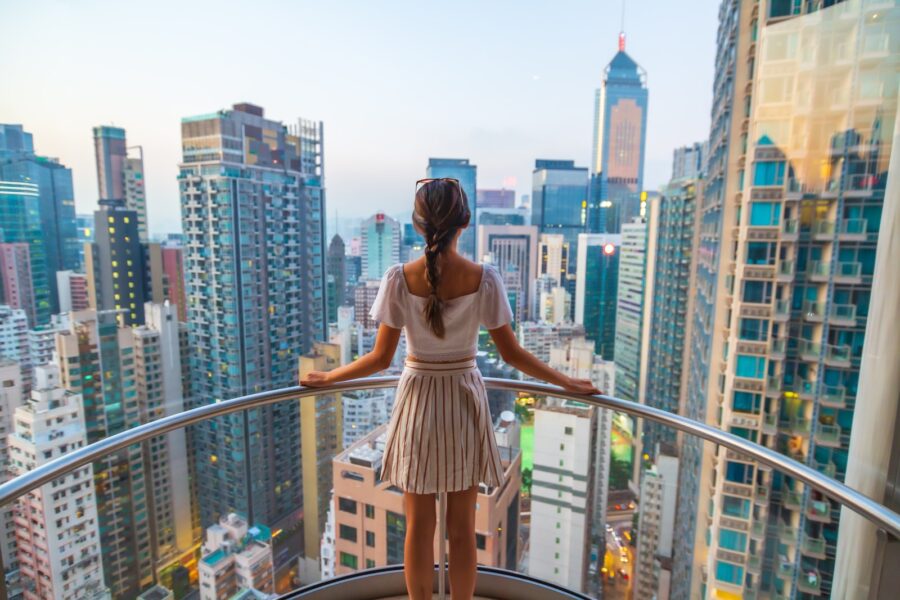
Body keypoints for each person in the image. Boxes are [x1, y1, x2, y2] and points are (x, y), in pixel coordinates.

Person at [301, 178, 601, 599]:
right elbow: (513, 355)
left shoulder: (398, 279)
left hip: (418, 401)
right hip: (463, 401)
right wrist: (565, 381)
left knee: (418, 529)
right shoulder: (485, 279)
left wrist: (328, 378)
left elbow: (381, 359)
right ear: (465, 221)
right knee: (462, 531)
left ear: (418, 225)